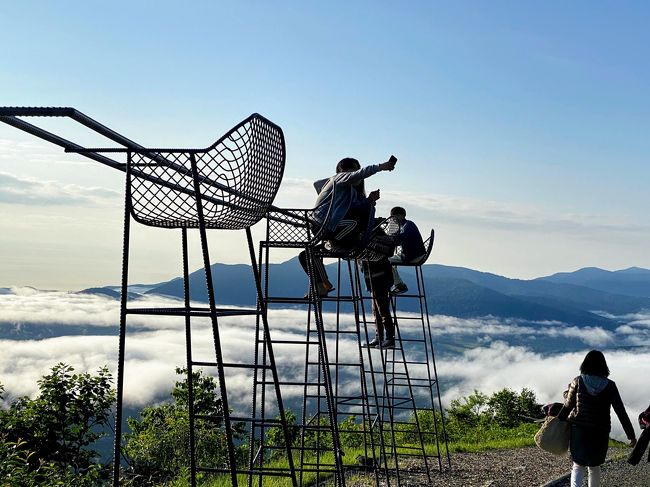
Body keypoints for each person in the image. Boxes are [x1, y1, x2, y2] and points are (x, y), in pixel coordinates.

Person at [298, 156, 397, 297]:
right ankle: (346, 244)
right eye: (354, 169)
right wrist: (381, 166)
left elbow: (357, 208)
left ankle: (323, 284)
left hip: (329, 229)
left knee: (306, 254)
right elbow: (359, 178)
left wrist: (370, 200)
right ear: (343, 170)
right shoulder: (339, 178)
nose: (357, 173)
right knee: (356, 222)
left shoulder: (347, 191)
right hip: (327, 227)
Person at [557, 350, 636, 487]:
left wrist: (557, 422)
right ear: (603, 366)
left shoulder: (578, 381)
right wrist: (631, 436)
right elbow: (620, 411)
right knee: (594, 467)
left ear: (585, 364)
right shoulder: (610, 385)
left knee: (578, 465)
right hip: (600, 432)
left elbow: (567, 406)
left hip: (579, 430)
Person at [387, 206, 426, 295]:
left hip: (413, 256)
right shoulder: (407, 225)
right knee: (389, 260)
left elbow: (400, 238)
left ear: (402, 215)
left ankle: (399, 285)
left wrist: (387, 238)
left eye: (394, 216)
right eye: (392, 217)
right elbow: (399, 238)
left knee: (384, 261)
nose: (393, 219)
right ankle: (397, 283)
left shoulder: (408, 225)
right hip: (414, 254)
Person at [362, 256, 396, 349]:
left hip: (379, 279)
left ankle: (389, 338)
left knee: (382, 310)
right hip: (376, 280)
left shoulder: (374, 250)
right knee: (377, 311)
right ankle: (379, 337)